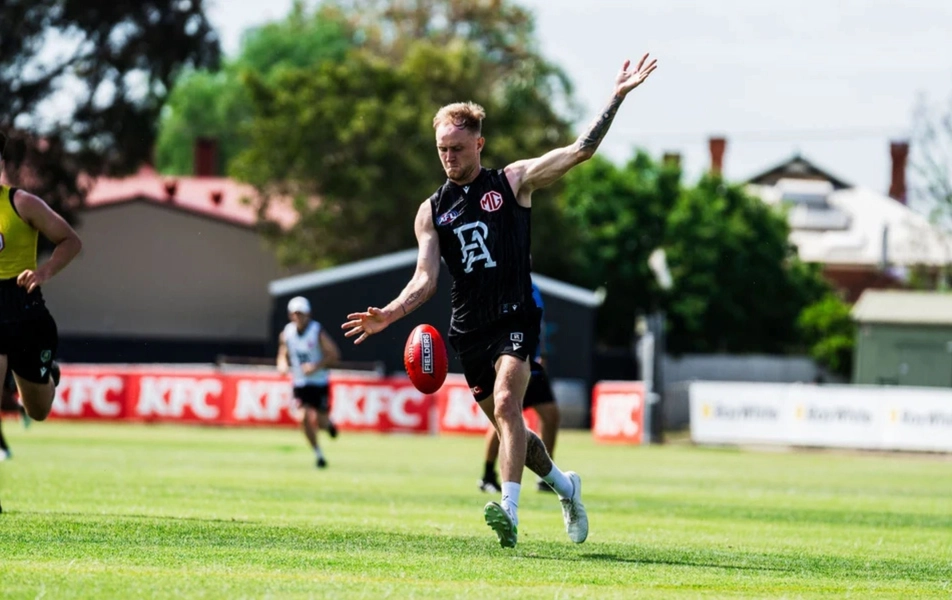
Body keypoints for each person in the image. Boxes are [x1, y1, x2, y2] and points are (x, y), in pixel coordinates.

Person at [342, 53, 658, 547]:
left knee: (510, 403)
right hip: (469, 331)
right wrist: (391, 314)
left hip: (516, 315)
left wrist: (616, 96)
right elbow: (425, 279)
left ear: (479, 144)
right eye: (442, 149)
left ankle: (508, 512)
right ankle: (566, 486)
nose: (449, 157)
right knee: (514, 431)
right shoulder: (431, 211)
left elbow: (580, 151)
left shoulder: (512, 182)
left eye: (458, 148)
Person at [0, 133, 78, 425]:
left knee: (37, 410)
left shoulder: (21, 203)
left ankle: (49, 376)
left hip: (22, 306)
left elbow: (70, 240)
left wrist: (43, 272)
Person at [479, 277, 561, 494]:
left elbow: (538, 325)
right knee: (503, 418)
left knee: (551, 416)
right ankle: (487, 474)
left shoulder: (534, 287)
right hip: (512, 361)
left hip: (532, 363)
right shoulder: (503, 285)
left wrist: (540, 354)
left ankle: (547, 477)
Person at [277, 296, 341, 469]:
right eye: (295, 314)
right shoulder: (287, 333)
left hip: (319, 382)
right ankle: (318, 454)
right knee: (304, 417)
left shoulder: (316, 331)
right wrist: (282, 365)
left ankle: (329, 425)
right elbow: (283, 353)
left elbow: (334, 354)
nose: (298, 317)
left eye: (301, 313)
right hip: (300, 383)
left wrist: (315, 366)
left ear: (308, 314)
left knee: (321, 422)